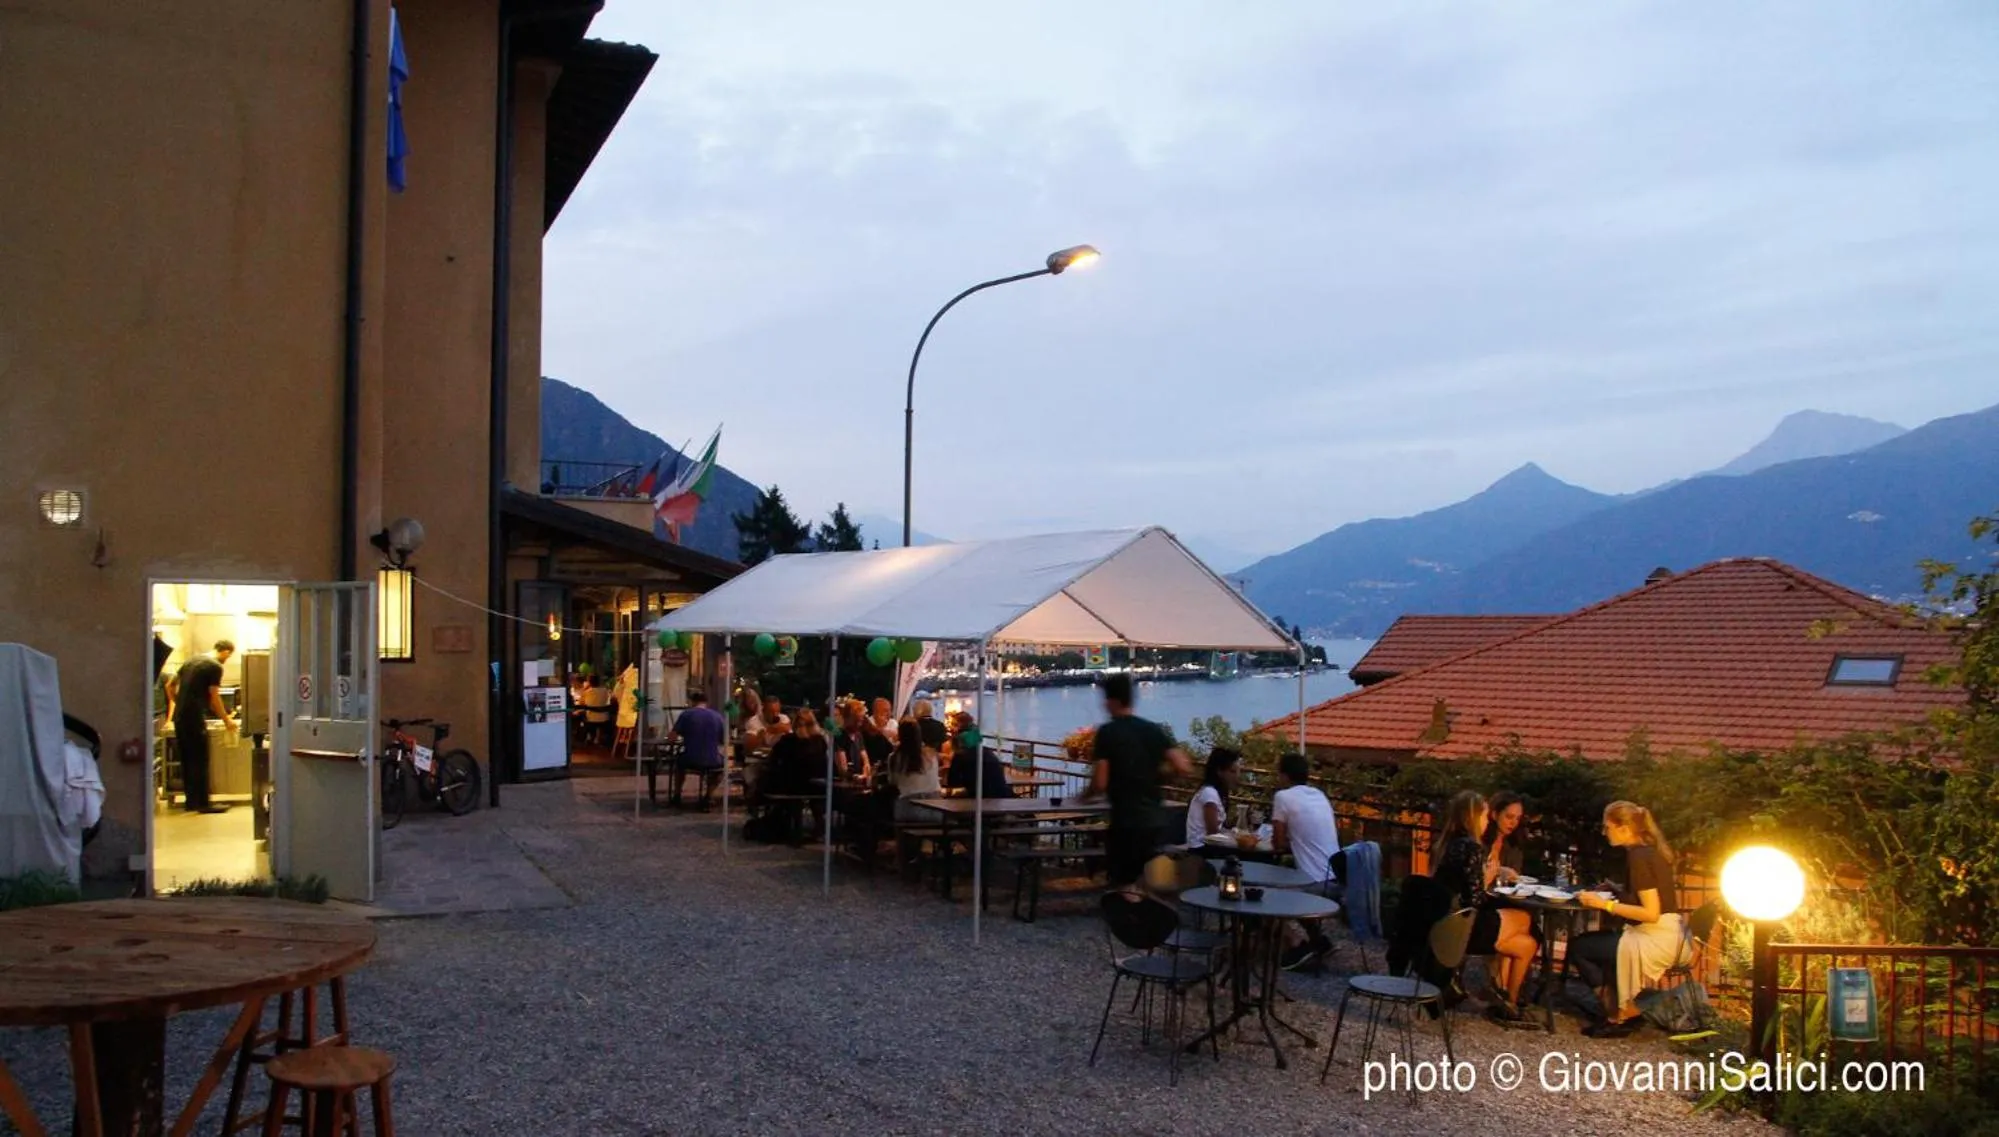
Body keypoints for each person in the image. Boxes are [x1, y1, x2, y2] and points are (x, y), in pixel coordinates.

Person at [1569, 801, 1683, 1038]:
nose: (1604, 832)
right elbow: (1648, 899)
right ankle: (1621, 1008)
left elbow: (1651, 913)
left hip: (1655, 938)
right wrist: (1617, 889)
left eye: (1607, 827)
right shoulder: (1648, 851)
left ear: (1623, 828)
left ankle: (1618, 1013)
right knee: (1603, 946)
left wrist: (1605, 904)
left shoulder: (1639, 857)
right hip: (1671, 934)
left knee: (1579, 947)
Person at [1431, 790, 1540, 1020]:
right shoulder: (1471, 847)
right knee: (1525, 921)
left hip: (1447, 919)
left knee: (1527, 944)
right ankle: (1502, 995)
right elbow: (1475, 899)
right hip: (1462, 926)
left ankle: (1506, 1000)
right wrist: (1487, 878)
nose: (1486, 820)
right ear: (1474, 817)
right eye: (1484, 816)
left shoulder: (1451, 843)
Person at [1084, 673, 1192, 890]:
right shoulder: (1152, 729)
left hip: (1126, 819)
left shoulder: (1108, 732)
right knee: (1145, 878)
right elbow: (1183, 766)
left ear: (1111, 701)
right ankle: (1147, 916)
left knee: (1124, 882)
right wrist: (1159, 776)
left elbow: (1100, 783)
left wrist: (1083, 797)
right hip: (1155, 819)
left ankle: (1131, 919)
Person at [1271, 752, 1342, 968]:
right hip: (1337, 879)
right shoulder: (1320, 795)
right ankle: (1320, 942)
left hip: (1315, 885)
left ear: (1284, 776)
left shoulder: (1283, 797)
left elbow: (1278, 843)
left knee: (1263, 896)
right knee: (1293, 884)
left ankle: (1296, 946)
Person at [166, 640, 235, 814]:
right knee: (200, 759)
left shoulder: (191, 661)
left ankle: (191, 802)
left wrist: (179, 703)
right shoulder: (214, 666)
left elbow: (170, 686)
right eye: (229, 655)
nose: (228, 659)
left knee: (187, 760)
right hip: (195, 717)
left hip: (180, 717)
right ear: (225, 652)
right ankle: (203, 804)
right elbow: (214, 698)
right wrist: (227, 720)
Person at [667, 691, 728, 808]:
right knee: (722, 768)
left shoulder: (686, 715)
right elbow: (724, 740)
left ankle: (677, 794)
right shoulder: (717, 716)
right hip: (712, 759)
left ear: (692, 702)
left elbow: (672, 737)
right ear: (707, 702)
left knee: (679, 764)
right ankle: (709, 795)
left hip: (691, 757)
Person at [944, 713, 1014, 800]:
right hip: (999, 797)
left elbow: (953, 782)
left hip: (979, 800)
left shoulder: (961, 756)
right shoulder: (989, 753)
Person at [889, 720, 942, 823]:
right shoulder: (931, 755)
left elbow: (893, 781)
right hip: (935, 808)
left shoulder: (895, 757)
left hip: (909, 808)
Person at [1186, 747, 1240, 847]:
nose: (1237, 776)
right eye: (1232, 771)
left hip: (1207, 846)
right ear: (1219, 771)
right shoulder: (1209, 793)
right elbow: (1213, 834)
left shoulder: (1214, 792)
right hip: (1201, 848)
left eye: (1238, 772)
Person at [1485, 791, 1528, 882]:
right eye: (1509, 817)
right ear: (1494, 815)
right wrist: (1499, 871)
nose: (1514, 823)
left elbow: (1515, 877)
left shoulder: (1514, 844)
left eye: (1518, 818)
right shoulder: (1479, 840)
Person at [580, 676, 614, 746]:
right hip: (605, 718)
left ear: (589, 682)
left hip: (591, 719)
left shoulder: (587, 692)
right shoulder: (605, 691)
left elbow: (581, 703)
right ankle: (596, 737)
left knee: (581, 714)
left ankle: (588, 736)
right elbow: (609, 700)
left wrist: (585, 689)